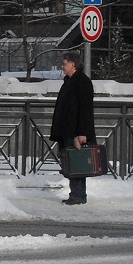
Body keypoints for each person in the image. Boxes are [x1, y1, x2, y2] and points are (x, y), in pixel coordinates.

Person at [49, 50, 95, 205]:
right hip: (67, 130)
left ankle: (78, 195)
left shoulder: (82, 82)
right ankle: (76, 194)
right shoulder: (69, 81)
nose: (62, 65)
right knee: (71, 163)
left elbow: (85, 109)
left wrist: (82, 133)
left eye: (65, 63)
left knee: (77, 163)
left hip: (75, 132)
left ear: (73, 64)